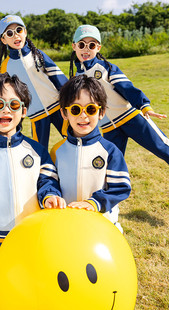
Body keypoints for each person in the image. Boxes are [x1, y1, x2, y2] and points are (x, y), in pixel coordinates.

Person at [69, 24, 169, 204]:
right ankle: (109, 208)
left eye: (92, 45)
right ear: (74, 47)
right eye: (82, 44)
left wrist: (144, 106)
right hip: (109, 127)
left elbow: (128, 88)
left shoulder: (106, 68)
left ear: (98, 48)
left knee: (161, 146)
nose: (86, 49)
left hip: (130, 116)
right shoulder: (76, 77)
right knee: (109, 167)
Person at [0, 72, 65, 291]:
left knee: (34, 282)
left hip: (31, 234)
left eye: (14, 104)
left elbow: (48, 181)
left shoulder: (36, 151)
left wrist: (50, 195)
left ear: (23, 111)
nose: (6, 110)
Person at [50, 75, 131, 233]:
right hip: (66, 226)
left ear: (101, 112)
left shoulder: (110, 151)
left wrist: (94, 203)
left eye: (91, 109)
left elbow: (120, 188)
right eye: (75, 109)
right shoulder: (57, 151)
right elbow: (49, 183)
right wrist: (52, 196)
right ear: (64, 114)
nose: (83, 115)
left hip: (102, 226)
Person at [0, 15, 68, 149]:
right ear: (3, 39)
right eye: (9, 33)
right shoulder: (6, 66)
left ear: (25, 32)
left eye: (19, 30)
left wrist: (71, 97)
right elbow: (7, 93)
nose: (15, 35)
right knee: (39, 148)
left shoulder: (38, 54)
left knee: (72, 137)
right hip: (36, 114)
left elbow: (58, 77)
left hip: (57, 106)